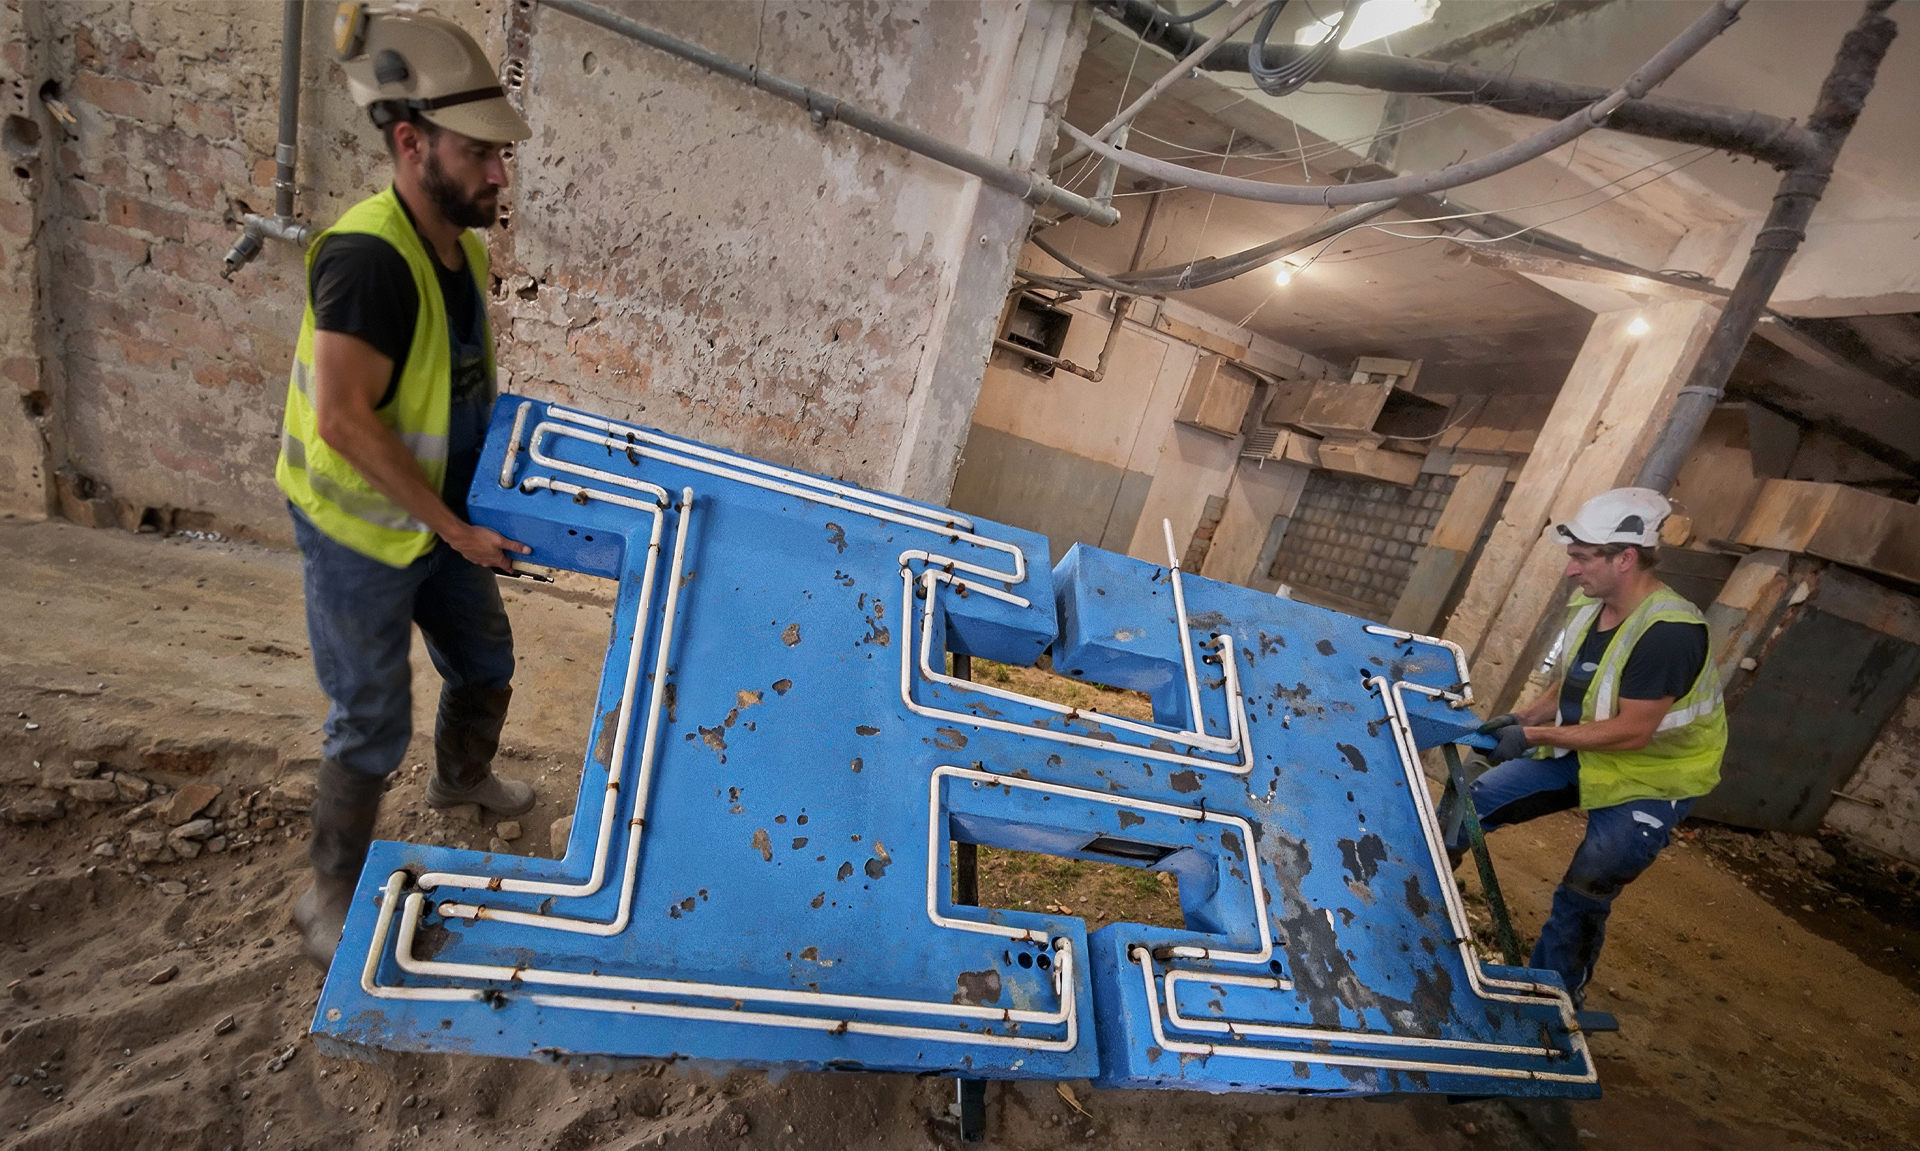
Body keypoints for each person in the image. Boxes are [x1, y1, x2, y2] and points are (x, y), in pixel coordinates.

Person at [279, 12, 538, 969]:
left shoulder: (459, 251)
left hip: (442, 519)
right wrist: (453, 528)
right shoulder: (366, 260)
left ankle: (462, 780)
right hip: (363, 531)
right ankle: (327, 893)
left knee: (485, 661)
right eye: (480, 155)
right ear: (410, 142)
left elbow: (460, 388)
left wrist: (500, 500)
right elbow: (345, 420)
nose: (498, 175)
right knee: (371, 715)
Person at [1456, 487, 1724, 1007]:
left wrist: (1533, 737)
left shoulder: (1670, 631)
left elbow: (1632, 731)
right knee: (1468, 803)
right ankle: (1419, 914)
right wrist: (1526, 714)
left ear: (1626, 558)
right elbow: (1577, 680)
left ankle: (1550, 1005)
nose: (1570, 572)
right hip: (1591, 754)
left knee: (1589, 883)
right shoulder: (1591, 605)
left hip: (1651, 776)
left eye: (1581, 559)